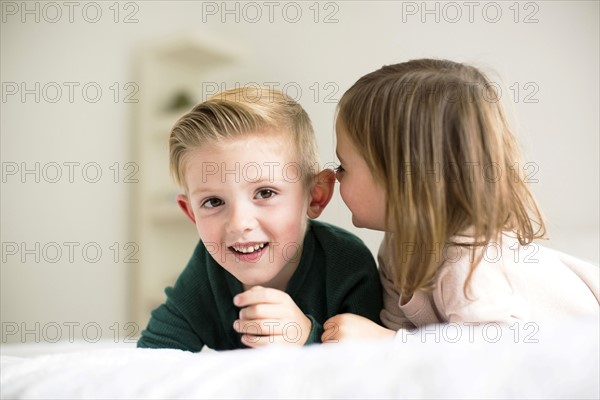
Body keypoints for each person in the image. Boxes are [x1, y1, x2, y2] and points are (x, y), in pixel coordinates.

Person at [322, 59, 599, 342]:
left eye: (343, 166)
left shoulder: (471, 260)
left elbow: (490, 355)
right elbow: (402, 343)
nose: (336, 175)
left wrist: (386, 342)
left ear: (402, 180)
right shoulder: (396, 247)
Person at [137, 87, 382, 351]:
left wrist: (307, 335)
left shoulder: (346, 264)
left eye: (265, 193)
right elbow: (156, 351)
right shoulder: (206, 271)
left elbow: (369, 361)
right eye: (214, 202)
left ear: (315, 197)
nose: (239, 223)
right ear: (191, 213)